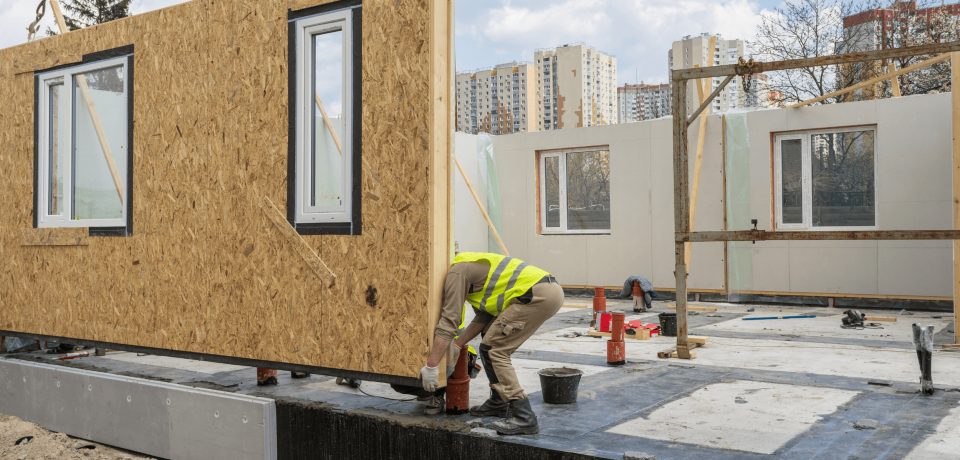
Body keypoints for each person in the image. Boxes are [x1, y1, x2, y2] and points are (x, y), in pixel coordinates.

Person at [419, 252, 563, 435]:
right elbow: (483, 315)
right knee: (488, 344)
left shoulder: (457, 272)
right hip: (544, 291)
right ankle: (499, 402)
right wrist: (458, 344)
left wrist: (432, 365)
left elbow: (449, 321)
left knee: (495, 349)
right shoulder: (470, 268)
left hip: (536, 295)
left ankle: (524, 416)